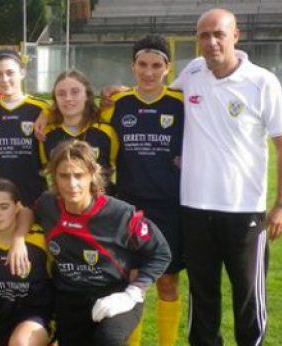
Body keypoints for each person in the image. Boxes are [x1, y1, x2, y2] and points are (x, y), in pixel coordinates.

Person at [170, 9, 282, 346]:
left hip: (244, 212)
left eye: (218, 34)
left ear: (235, 36)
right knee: (202, 296)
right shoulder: (193, 71)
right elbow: (158, 93)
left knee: (249, 299)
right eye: (203, 35)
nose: (210, 42)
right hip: (194, 208)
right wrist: (120, 91)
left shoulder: (262, 81)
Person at [36, 140, 171, 345]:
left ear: (93, 174)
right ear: (53, 176)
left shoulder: (120, 214)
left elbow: (161, 253)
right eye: (64, 176)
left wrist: (133, 293)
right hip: (70, 296)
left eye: (79, 175)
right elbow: (23, 212)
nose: (72, 184)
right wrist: (19, 238)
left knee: (108, 340)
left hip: (116, 293)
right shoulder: (47, 205)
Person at [100, 34, 185, 346]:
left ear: (167, 68)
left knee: (167, 281)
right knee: (132, 281)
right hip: (130, 207)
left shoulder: (181, 103)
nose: (149, 72)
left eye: (156, 65)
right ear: (132, 66)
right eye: (142, 65)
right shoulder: (116, 105)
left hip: (170, 205)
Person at [0, 178, 53, 346]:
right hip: (1, 321)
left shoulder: (40, 240)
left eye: (4, 207)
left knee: (20, 343)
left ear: (17, 207)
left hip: (38, 317)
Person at [0, 49, 50, 207]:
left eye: (10, 72)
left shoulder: (41, 109)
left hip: (33, 194)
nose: (4, 79)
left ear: (22, 73)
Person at [40, 69, 118, 194]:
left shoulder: (107, 132)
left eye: (75, 92)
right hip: (64, 209)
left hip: (102, 208)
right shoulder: (46, 134)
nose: (68, 98)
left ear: (87, 95)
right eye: (61, 93)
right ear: (55, 99)